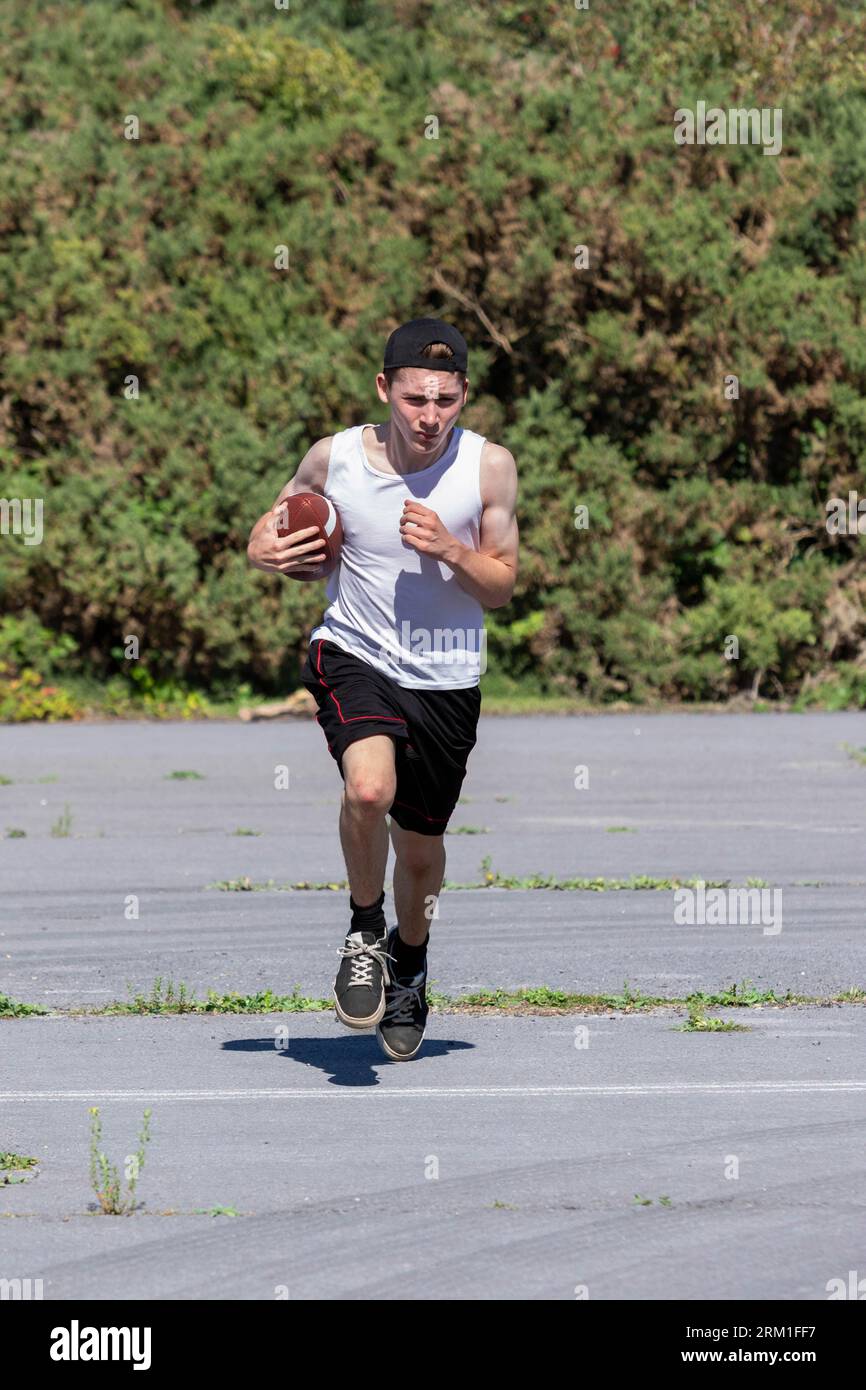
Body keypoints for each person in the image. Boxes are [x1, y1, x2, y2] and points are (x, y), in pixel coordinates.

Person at [247, 318, 518, 1060]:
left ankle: (411, 963)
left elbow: (500, 586)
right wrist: (263, 547)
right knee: (369, 791)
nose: (430, 417)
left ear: (463, 395)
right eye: (414, 399)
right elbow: (270, 527)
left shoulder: (488, 468)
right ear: (384, 389)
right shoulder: (333, 457)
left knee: (422, 850)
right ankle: (365, 928)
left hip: (447, 676)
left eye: (446, 400)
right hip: (356, 651)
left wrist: (452, 550)